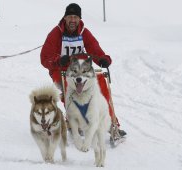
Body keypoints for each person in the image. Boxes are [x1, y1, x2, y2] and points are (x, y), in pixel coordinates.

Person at [40, 3, 126, 137]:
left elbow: (94, 48)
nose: (72, 20)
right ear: (65, 18)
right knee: (71, 88)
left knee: (101, 82)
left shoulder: (83, 32)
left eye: (75, 17)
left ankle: (111, 124)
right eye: (70, 17)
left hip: (81, 69)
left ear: (79, 19)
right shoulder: (56, 33)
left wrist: (103, 59)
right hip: (60, 70)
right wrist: (58, 60)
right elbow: (45, 58)